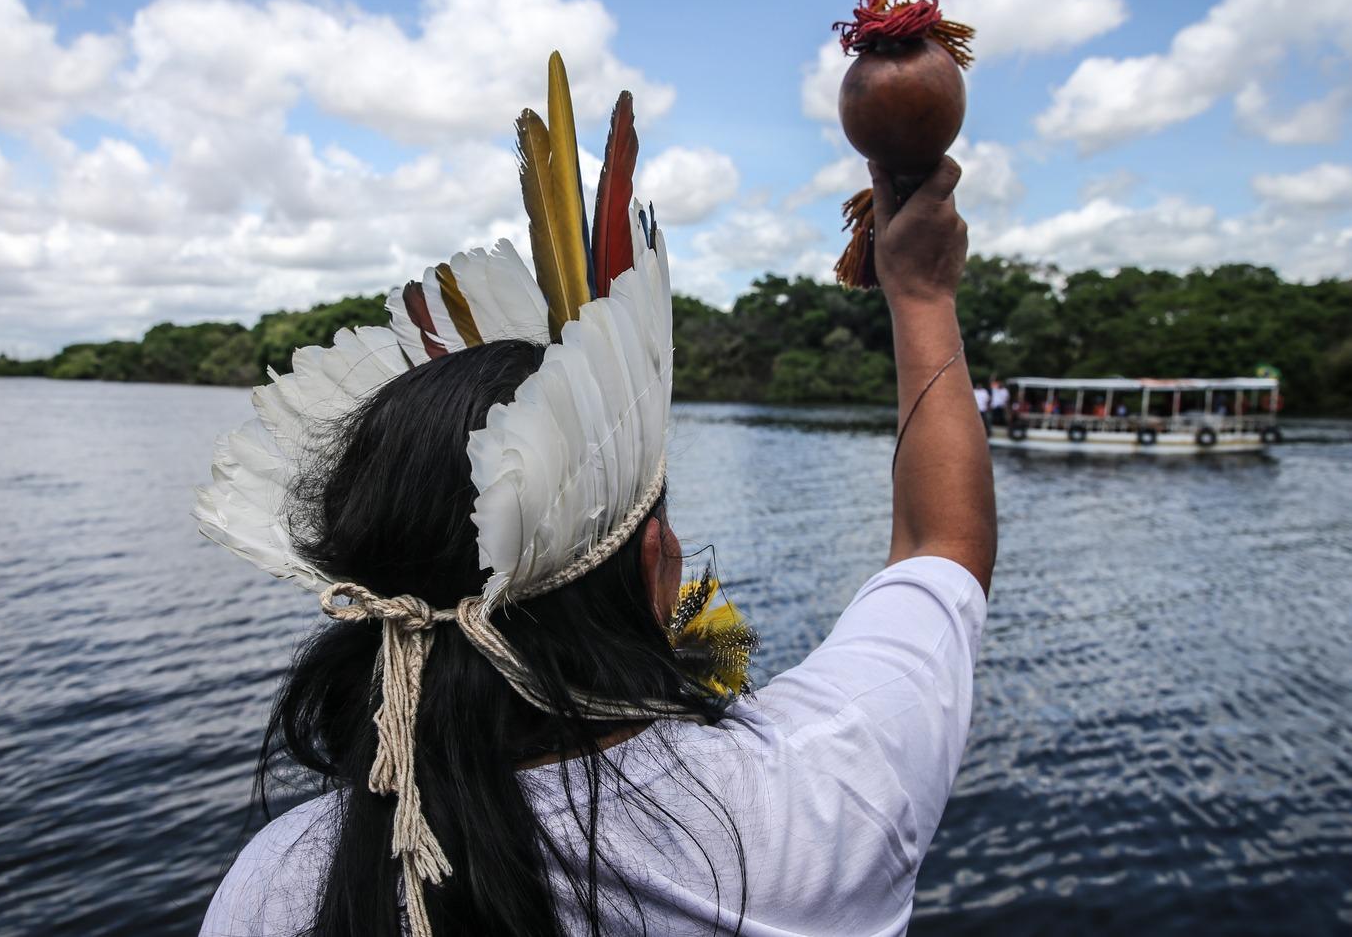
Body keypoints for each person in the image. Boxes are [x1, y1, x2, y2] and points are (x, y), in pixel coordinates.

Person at [195, 65, 995, 937]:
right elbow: (940, 544)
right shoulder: (815, 805)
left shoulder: (278, 882)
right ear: (659, 566)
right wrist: (920, 294)